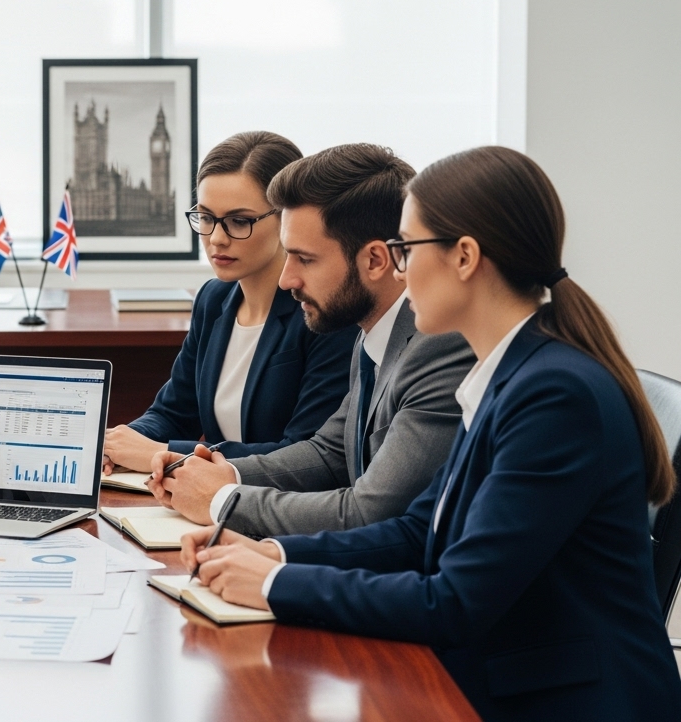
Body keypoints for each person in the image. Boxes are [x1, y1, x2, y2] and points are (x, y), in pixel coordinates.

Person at [184, 145, 681, 720]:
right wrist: (269, 551)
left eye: (406, 249)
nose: (397, 269)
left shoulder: (553, 395)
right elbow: (420, 530)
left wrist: (273, 583)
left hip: (565, 703)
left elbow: (453, 601)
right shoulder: (509, 371)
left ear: (465, 257)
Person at [150, 144, 475, 533]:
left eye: (304, 259)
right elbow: (328, 453)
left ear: (375, 260)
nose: (287, 279)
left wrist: (221, 500)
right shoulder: (373, 333)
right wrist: (220, 472)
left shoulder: (439, 346)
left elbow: (369, 512)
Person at [102, 131, 356, 475]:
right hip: (210, 500)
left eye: (239, 221)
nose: (217, 239)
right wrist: (118, 445)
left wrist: (162, 452)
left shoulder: (323, 311)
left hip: (279, 512)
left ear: (287, 218)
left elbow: (304, 454)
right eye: (206, 218)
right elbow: (173, 413)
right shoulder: (213, 299)